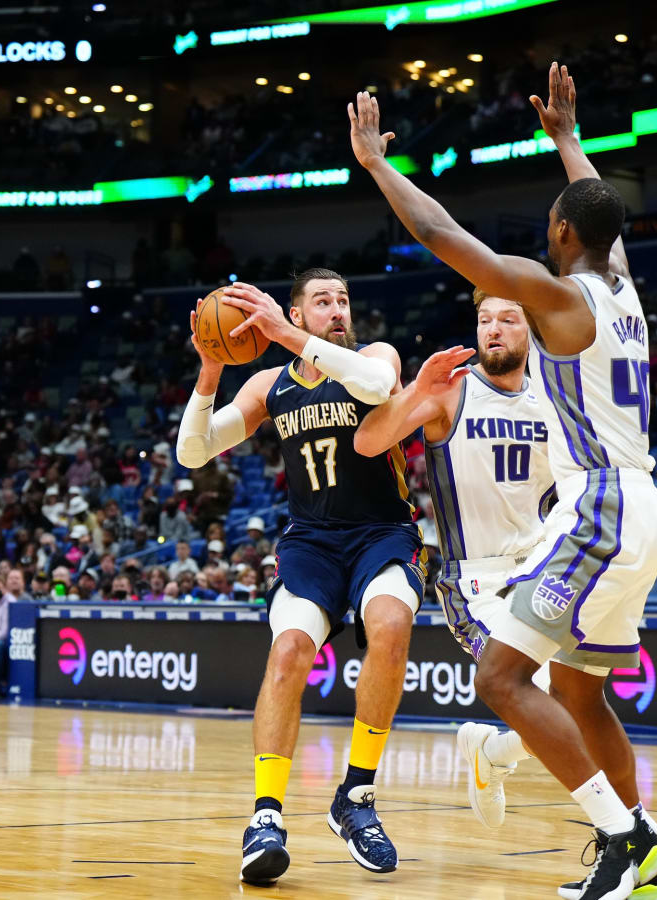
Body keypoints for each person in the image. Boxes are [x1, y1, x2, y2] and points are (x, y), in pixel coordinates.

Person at [350, 64, 657, 898]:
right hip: (643, 507)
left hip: (599, 503)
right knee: (580, 694)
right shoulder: (621, 287)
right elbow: (600, 209)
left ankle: (633, 839)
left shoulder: (561, 298)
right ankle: (623, 859)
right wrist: (568, 139)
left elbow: (446, 239)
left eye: (555, 225)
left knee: (498, 680)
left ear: (562, 234)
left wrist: (381, 167)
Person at [356, 288, 657, 898]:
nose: (493, 329)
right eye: (484, 320)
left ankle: (501, 756)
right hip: (476, 578)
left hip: (546, 559)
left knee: (578, 699)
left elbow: (580, 484)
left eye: (507, 319)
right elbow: (369, 442)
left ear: (532, 331)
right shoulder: (451, 386)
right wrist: (416, 391)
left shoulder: (554, 399)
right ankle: (637, 839)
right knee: (545, 692)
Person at [178, 267, 469, 884]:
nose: (337, 308)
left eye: (342, 299)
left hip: (381, 533)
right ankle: (265, 817)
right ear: (298, 310)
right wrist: (209, 369)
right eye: (321, 301)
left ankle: (356, 798)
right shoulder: (268, 384)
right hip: (310, 542)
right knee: (287, 652)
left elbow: (377, 384)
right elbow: (193, 452)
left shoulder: (374, 356)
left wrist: (286, 334)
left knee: (390, 624)